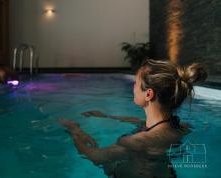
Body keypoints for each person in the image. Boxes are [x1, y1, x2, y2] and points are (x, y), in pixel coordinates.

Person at [60, 59, 208, 178]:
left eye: (136, 83)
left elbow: (95, 156)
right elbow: (144, 124)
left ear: (148, 94)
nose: (133, 86)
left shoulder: (136, 141)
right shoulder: (181, 127)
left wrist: (75, 129)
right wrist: (108, 116)